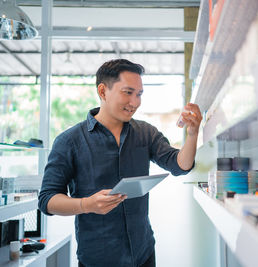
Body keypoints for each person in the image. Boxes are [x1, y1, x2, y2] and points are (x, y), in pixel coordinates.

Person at [38, 59, 202, 267]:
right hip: (97, 259)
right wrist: (85, 204)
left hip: (143, 254)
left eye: (139, 94)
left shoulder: (146, 133)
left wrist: (193, 134)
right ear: (103, 91)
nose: (135, 102)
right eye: (128, 92)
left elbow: (180, 166)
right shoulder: (69, 141)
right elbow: (47, 200)